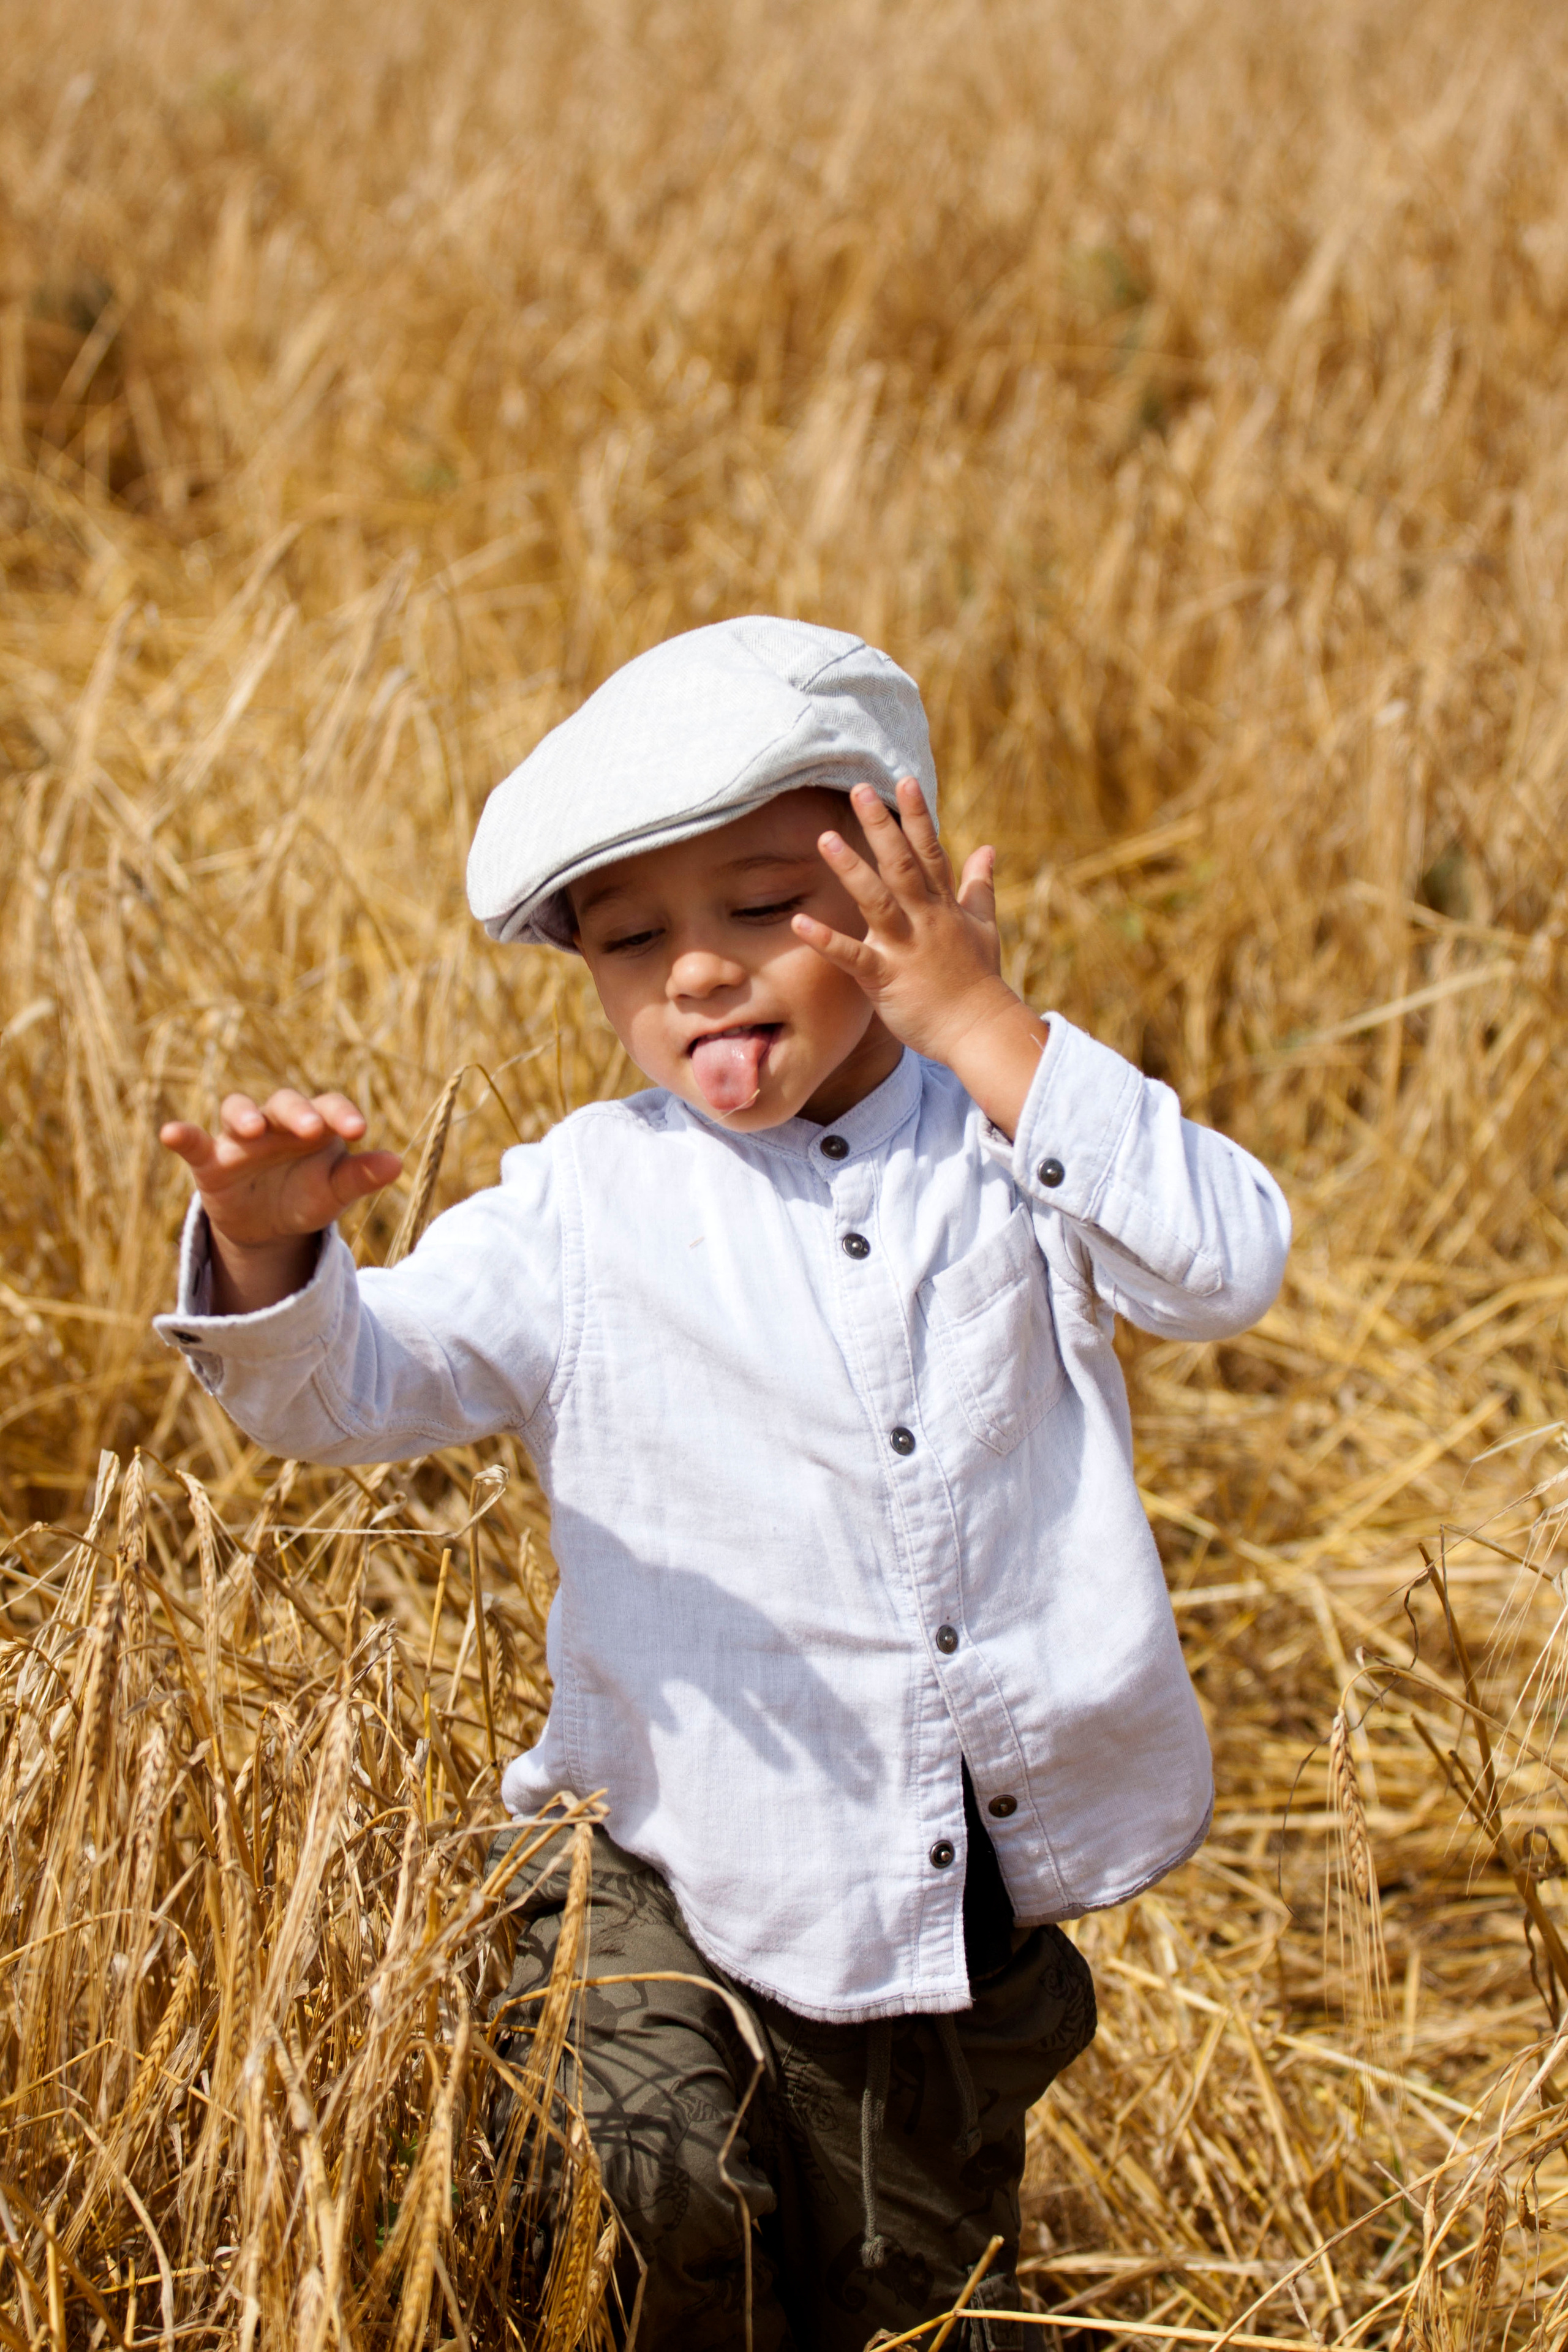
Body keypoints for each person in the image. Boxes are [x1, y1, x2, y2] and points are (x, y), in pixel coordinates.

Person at [156, 617, 1291, 2350]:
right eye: (631, 939)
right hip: (669, 1864)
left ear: (897, 882)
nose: (695, 971)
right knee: (653, 2185)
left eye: (765, 907)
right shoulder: (584, 1207)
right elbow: (353, 1392)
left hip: (939, 1894)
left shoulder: (1014, 1143)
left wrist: (990, 1025)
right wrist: (263, 1247)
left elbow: (1220, 1267)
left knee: (896, 2287)